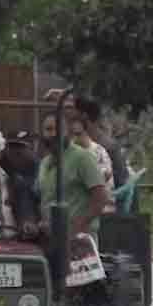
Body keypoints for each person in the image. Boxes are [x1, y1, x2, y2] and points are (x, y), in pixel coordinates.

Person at [37, 108, 110, 242]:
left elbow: (101, 199)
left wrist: (75, 229)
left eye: (58, 128)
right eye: (48, 129)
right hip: (51, 239)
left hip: (78, 241)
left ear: (69, 132)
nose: (53, 134)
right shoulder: (44, 163)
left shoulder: (82, 158)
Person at [45, 89, 128, 188]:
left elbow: (120, 183)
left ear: (83, 116)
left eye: (71, 109)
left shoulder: (105, 147)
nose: (67, 114)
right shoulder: (71, 143)